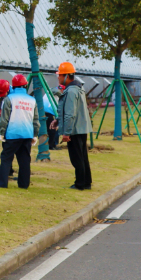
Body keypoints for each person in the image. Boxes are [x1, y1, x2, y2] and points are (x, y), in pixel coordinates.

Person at [0, 74, 40, 189]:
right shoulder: (32, 100)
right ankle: (24, 184)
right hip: (27, 134)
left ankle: (2, 184)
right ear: (25, 86)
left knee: (6, 158)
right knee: (24, 160)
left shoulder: (9, 99)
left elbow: (4, 119)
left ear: (13, 86)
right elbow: (35, 119)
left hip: (12, 134)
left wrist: (2, 132)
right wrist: (35, 134)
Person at [56, 62, 92, 190]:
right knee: (83, 157)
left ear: (66, 76)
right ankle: (87, 182)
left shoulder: (71, 91)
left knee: (77, 158)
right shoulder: (79, 88)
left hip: (74, 130)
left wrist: (66, 133)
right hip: (82, 128)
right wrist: (57, 120)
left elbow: (70, 114)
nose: (58, 77)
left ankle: (80, 184)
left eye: (60, 75)